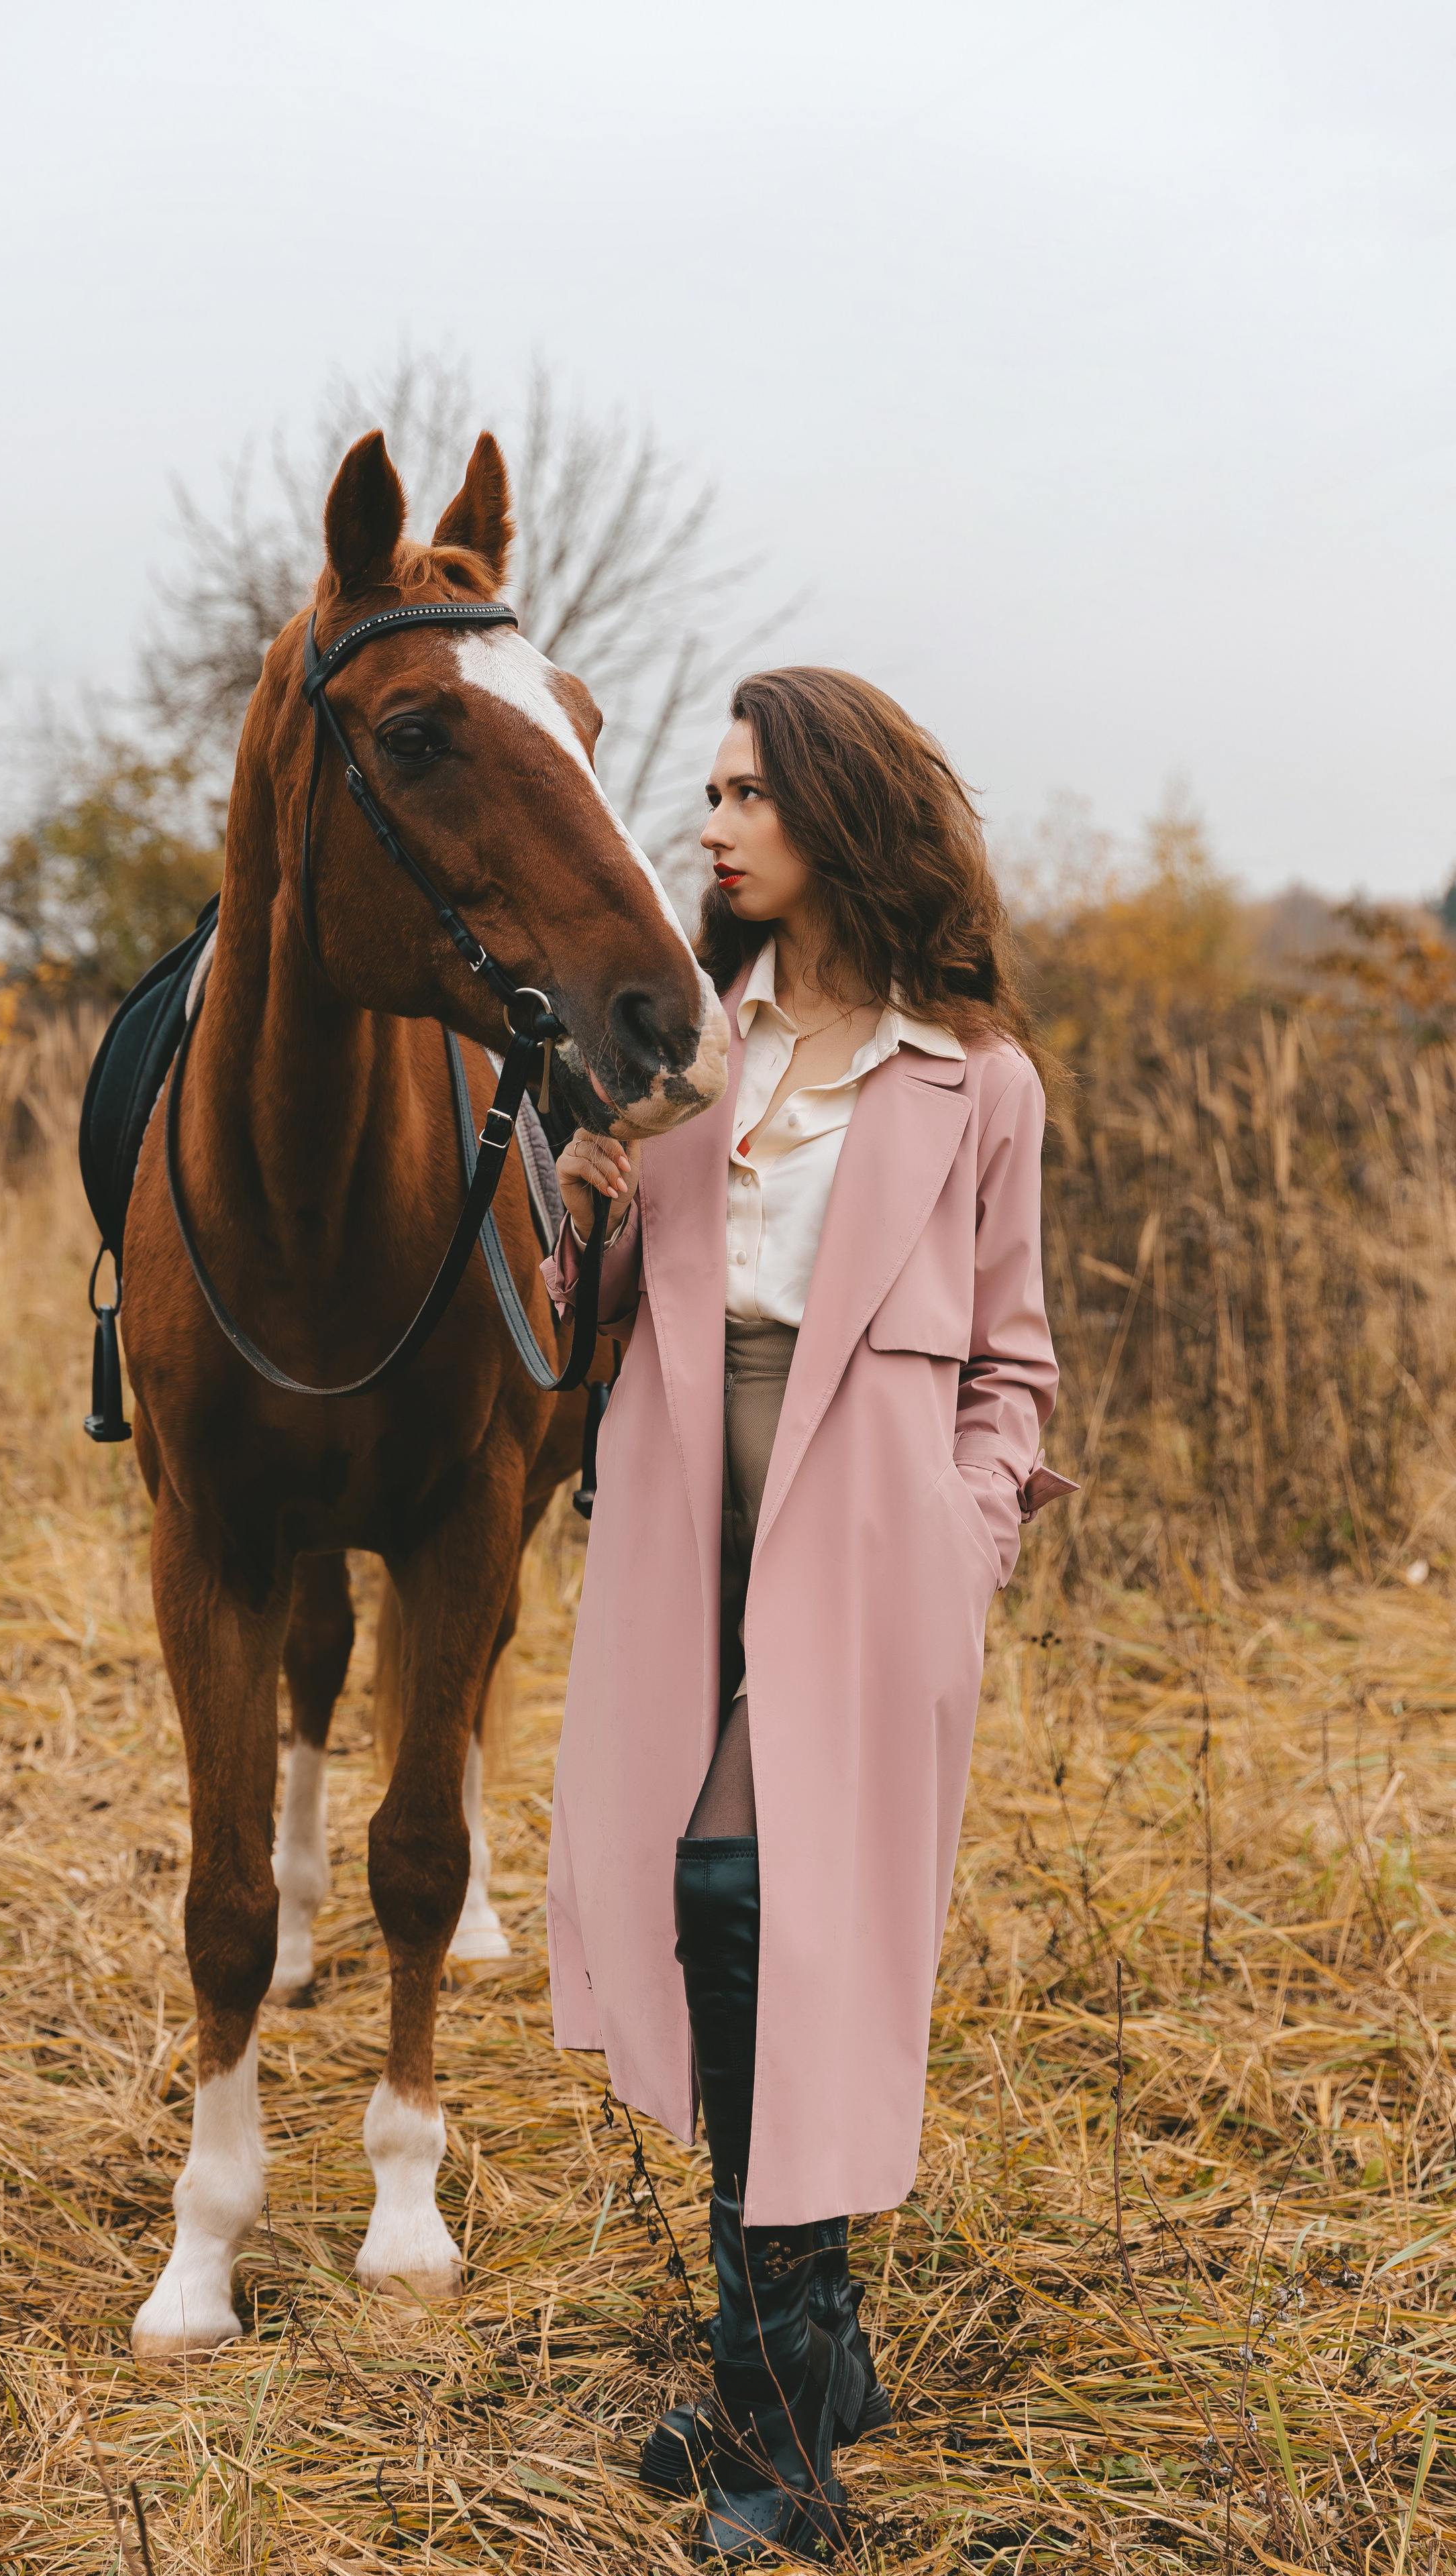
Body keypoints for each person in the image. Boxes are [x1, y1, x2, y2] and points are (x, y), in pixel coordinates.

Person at [541, 667, 1073, 2562]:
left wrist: (967, 1525)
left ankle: (774, 2422)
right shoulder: (678, 1044)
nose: (711, 823)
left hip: (868, 1537)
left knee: (746, 1896)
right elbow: (579, 1323)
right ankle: (814, 2342)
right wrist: (585, 1198)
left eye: (747, 791)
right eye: (708, 791)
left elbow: (1014, 1361)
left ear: (838, 818)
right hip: (686, 1504)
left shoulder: (975, 1081)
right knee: (699, 1907)